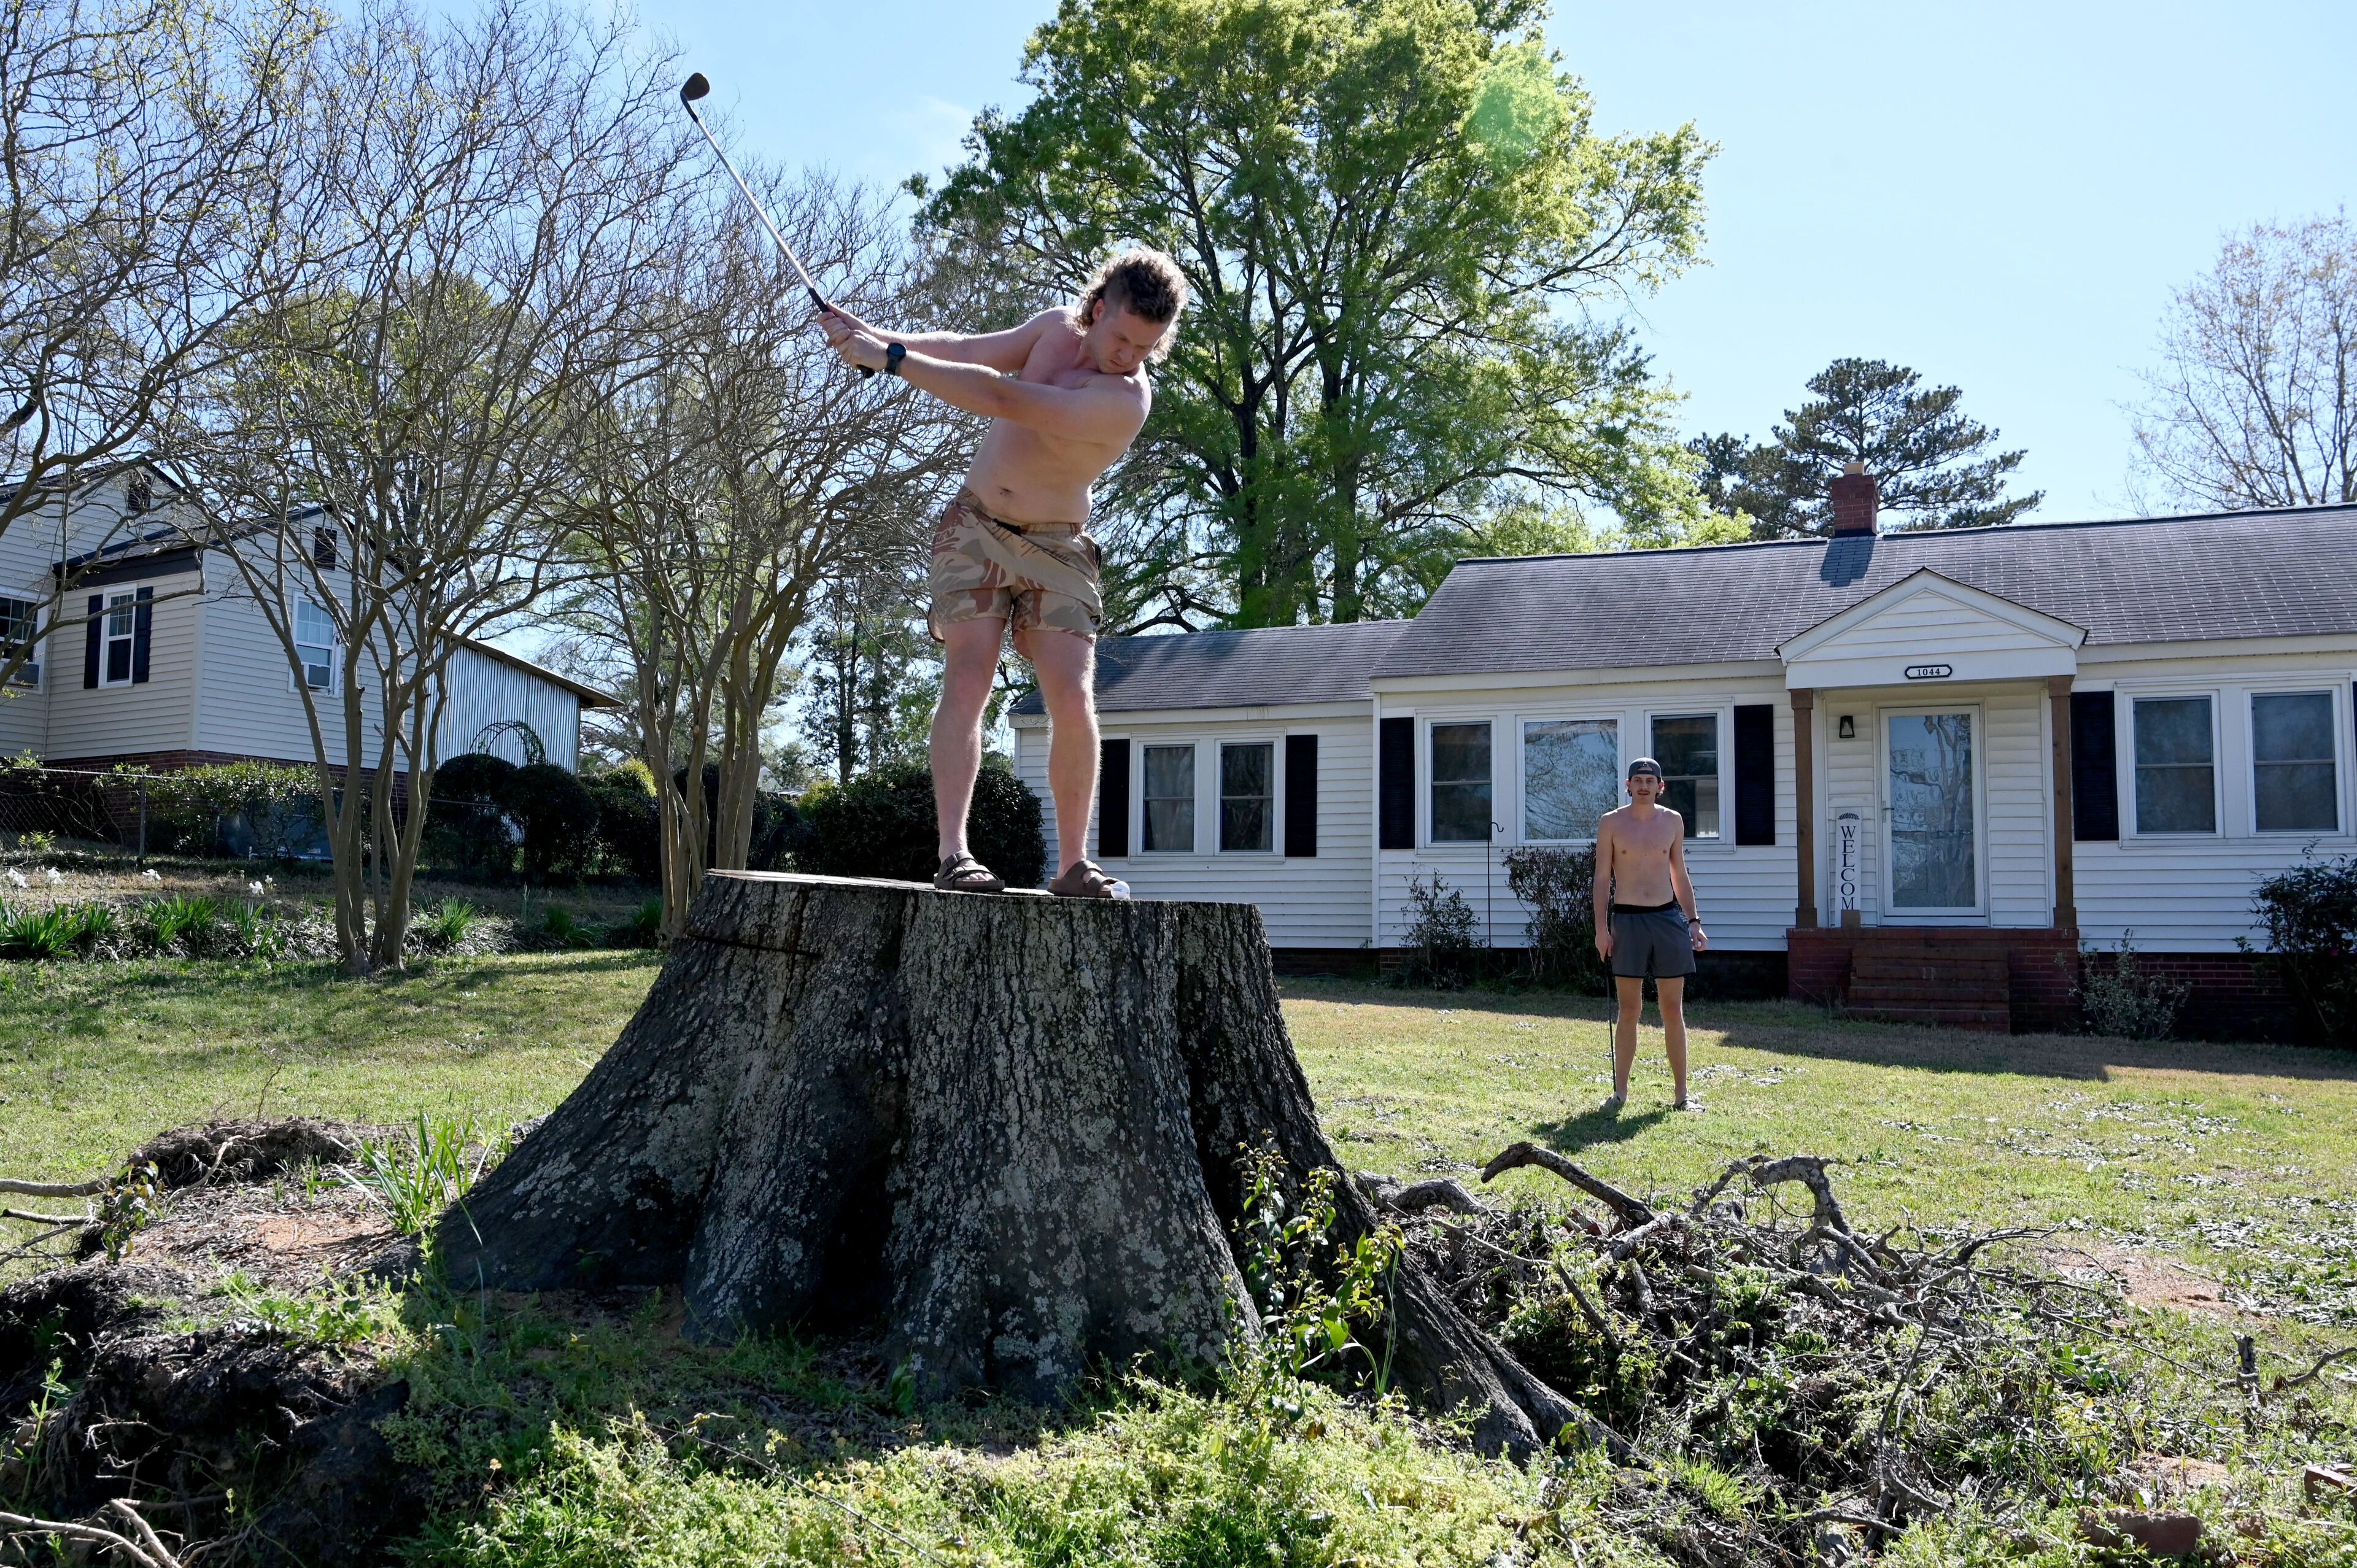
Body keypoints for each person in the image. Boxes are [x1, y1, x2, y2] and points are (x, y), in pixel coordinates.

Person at [818, 249, 1187, 897]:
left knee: (1072, 694)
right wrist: (876, 337)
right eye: (1123, 337)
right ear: (1098, 309)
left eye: (1146, 348)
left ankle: (1073, 865)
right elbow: (968, 349)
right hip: (976, 526)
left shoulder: (1125, 401)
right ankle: (954, 855)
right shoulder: (1051, 329)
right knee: (968, 675)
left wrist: (892, 361)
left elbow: (999, 394)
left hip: (1059, 547)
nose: (1130, 355)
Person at [1592, 757, 1709, 1110]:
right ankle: (1620, 1093)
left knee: (1672, 1009)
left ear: (1661, 785)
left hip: (1667, 919)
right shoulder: (1611, 823)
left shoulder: (1672, 821)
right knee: (1629, 1009)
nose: (1644, 785)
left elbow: (1680, 874)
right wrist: (1601, 929)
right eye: (1638, 780)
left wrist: (1694, 922)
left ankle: (1681, 1096)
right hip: (1627, 921)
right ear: (1628, 785)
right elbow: (1601, 879)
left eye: (1650, 780)